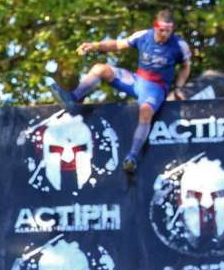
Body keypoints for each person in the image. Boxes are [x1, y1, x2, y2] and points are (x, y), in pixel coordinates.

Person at [48, 9, 192, 174]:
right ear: (155, 26)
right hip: (137, 80)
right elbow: (117, 44)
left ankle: (132, 157)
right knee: (99, 69)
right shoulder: (144, 35)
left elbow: (186, 66)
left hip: (156, 88)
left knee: (145, 111)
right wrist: (94, 46)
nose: (165, 33)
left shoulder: (179, 45)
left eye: (169, 30)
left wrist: (179, 87)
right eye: (162, 29)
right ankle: (72, 99)